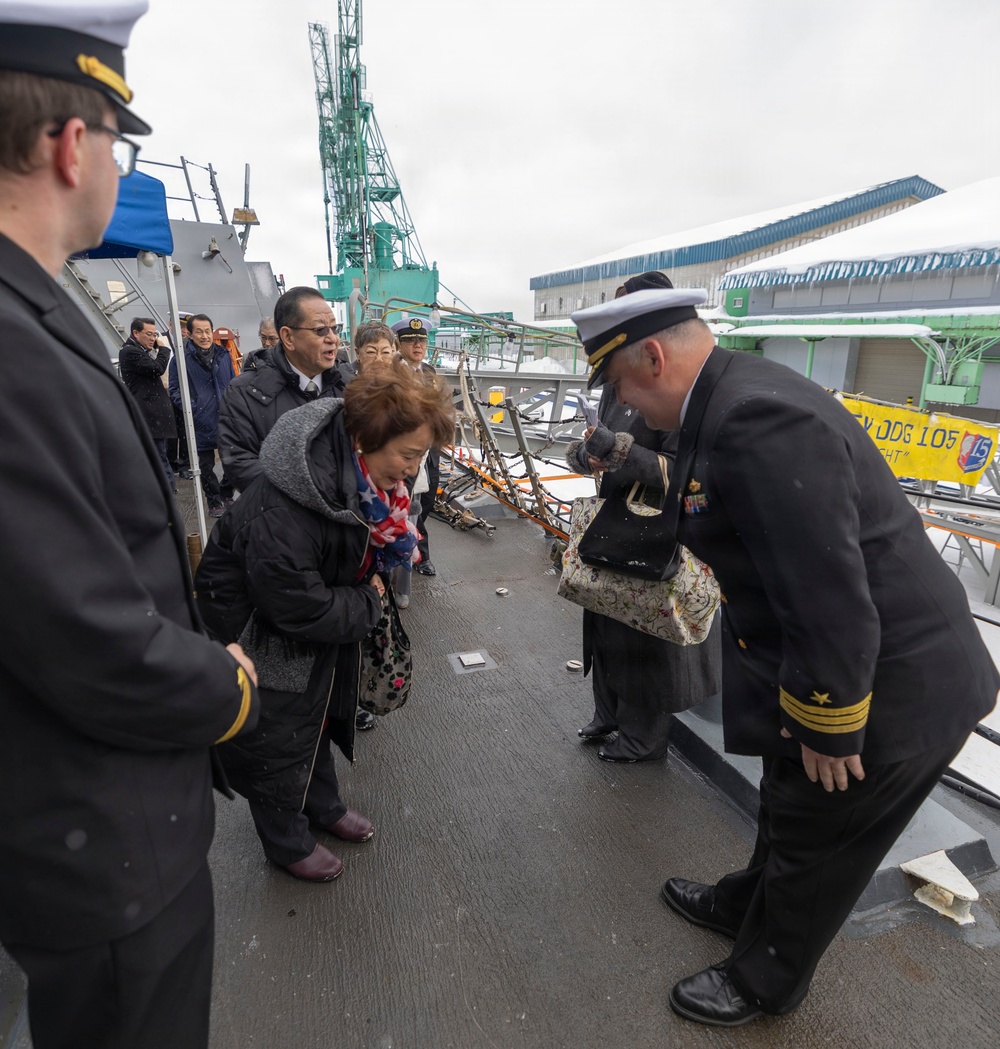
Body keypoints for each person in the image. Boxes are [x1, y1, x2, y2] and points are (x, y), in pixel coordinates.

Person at [571, 280, 999, 1027]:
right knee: (785, 799)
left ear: (653, 354)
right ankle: (746, 903)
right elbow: (723, 508)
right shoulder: (727, 399)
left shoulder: (754, 419)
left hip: (885, 679)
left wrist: (830, 723)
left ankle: (767, 977)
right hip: (826, 653)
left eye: (622, 388)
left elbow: (829, 593)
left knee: (817, 836)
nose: (628, 407)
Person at [0, 5, 260, 1048]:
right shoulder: (14, 341)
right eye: (116, 138)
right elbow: (83, 630)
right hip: (98, 834)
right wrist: (229, 687)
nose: (113, 161)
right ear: (73, 146)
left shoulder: (36, 308)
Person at [195, 367, 455, 881]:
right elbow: (297, 607)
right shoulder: (288, 506)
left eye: (420, 457)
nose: (410, 471)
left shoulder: (356, 484)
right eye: (407, 455)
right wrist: (370, 600)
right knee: (278, 736)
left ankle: (323, 806)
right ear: (362, 439)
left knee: (316, 719)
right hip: (260, 637)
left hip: (313, 626)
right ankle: (285, 840)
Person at [565, 272, 720, 762]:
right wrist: (585, 453)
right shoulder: (621, 378)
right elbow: (602, 436)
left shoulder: (685, 394)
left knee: (643, 633)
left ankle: (643, 737)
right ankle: (607, 713)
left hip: (655, 526)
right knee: (605, 620)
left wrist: (620, 451)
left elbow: (689, 472)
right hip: (613, 519)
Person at [218, 286, 346, 494]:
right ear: (287, 337)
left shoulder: (350, 386)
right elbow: (240, 464)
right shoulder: (244, 394)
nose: (333, 338)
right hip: (283, 521)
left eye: (335, 328)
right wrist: (314, 498)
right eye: (320, 330)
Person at [168, 312, 235, 516]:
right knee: (205, 467)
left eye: (207, 331)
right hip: (199, 421)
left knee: (232, 460)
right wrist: (193, 408)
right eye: (200, 332)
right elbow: (174, 390)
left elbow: (233, 383)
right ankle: (214, 501)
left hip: (225, 417)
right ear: (189, 333)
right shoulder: (181, 360)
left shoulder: (224, 355)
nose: (205, 336)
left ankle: (226, 493)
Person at [392, 316, 440, 575]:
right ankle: (421, 556)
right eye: (410, 340)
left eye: (421, 340)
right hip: (406, 450)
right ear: (399, 344)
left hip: (430, 450)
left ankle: (411, 541)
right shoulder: (392, 374)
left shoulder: (429, 372)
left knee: (429, 497)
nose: (417, 345)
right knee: (412, 503)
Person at [118, 315, 177, 490]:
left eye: (154, 334)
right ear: (135, 333)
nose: (153, 338)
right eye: (149, 334)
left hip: (152, 414)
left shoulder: (138, 350)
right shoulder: (130, 351)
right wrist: (164, 349)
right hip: (148, 414)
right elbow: (156, 369)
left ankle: (164, 493)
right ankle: (168, 495)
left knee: (158, 456)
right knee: (159, 458)